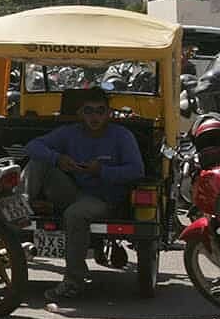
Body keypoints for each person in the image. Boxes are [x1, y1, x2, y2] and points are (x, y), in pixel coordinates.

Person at [23, 88, 144, 301]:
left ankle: (73, 281)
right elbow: (32, 146)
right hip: (74, 191)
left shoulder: (121, 136)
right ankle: (22, 209)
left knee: (75, 215)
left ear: (109, 114)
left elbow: (136, 171)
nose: (94, 117)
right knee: (39, 161)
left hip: (104, 198)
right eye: (89, 111)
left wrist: (102, 171)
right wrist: (57, 158)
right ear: (80, 113)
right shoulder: (70, 132)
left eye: (100, 111)